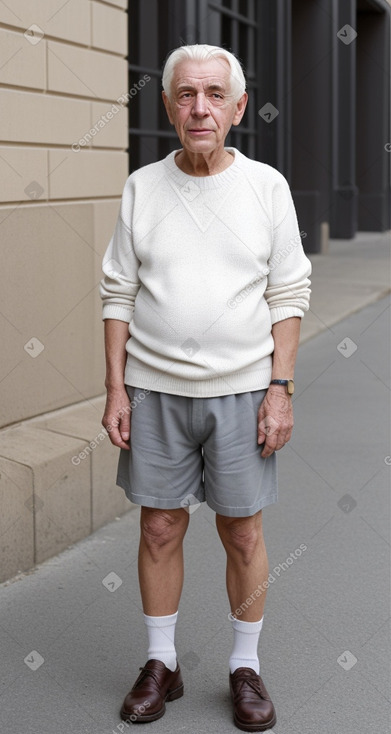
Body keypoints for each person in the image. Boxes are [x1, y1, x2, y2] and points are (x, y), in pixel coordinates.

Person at [100, 43, 311, 732]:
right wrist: (115, 389)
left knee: (241, 532)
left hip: (244, 390)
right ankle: (161, 663)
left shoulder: (266, 187)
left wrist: (279, 388)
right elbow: (118, 293)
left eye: (214, 95)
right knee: (159, 525)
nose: (199, 108)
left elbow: (288, 292)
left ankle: (243, 668)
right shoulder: (142, 187)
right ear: (167, 106)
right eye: (185, 95)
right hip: (154, 387)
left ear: (238, 106)